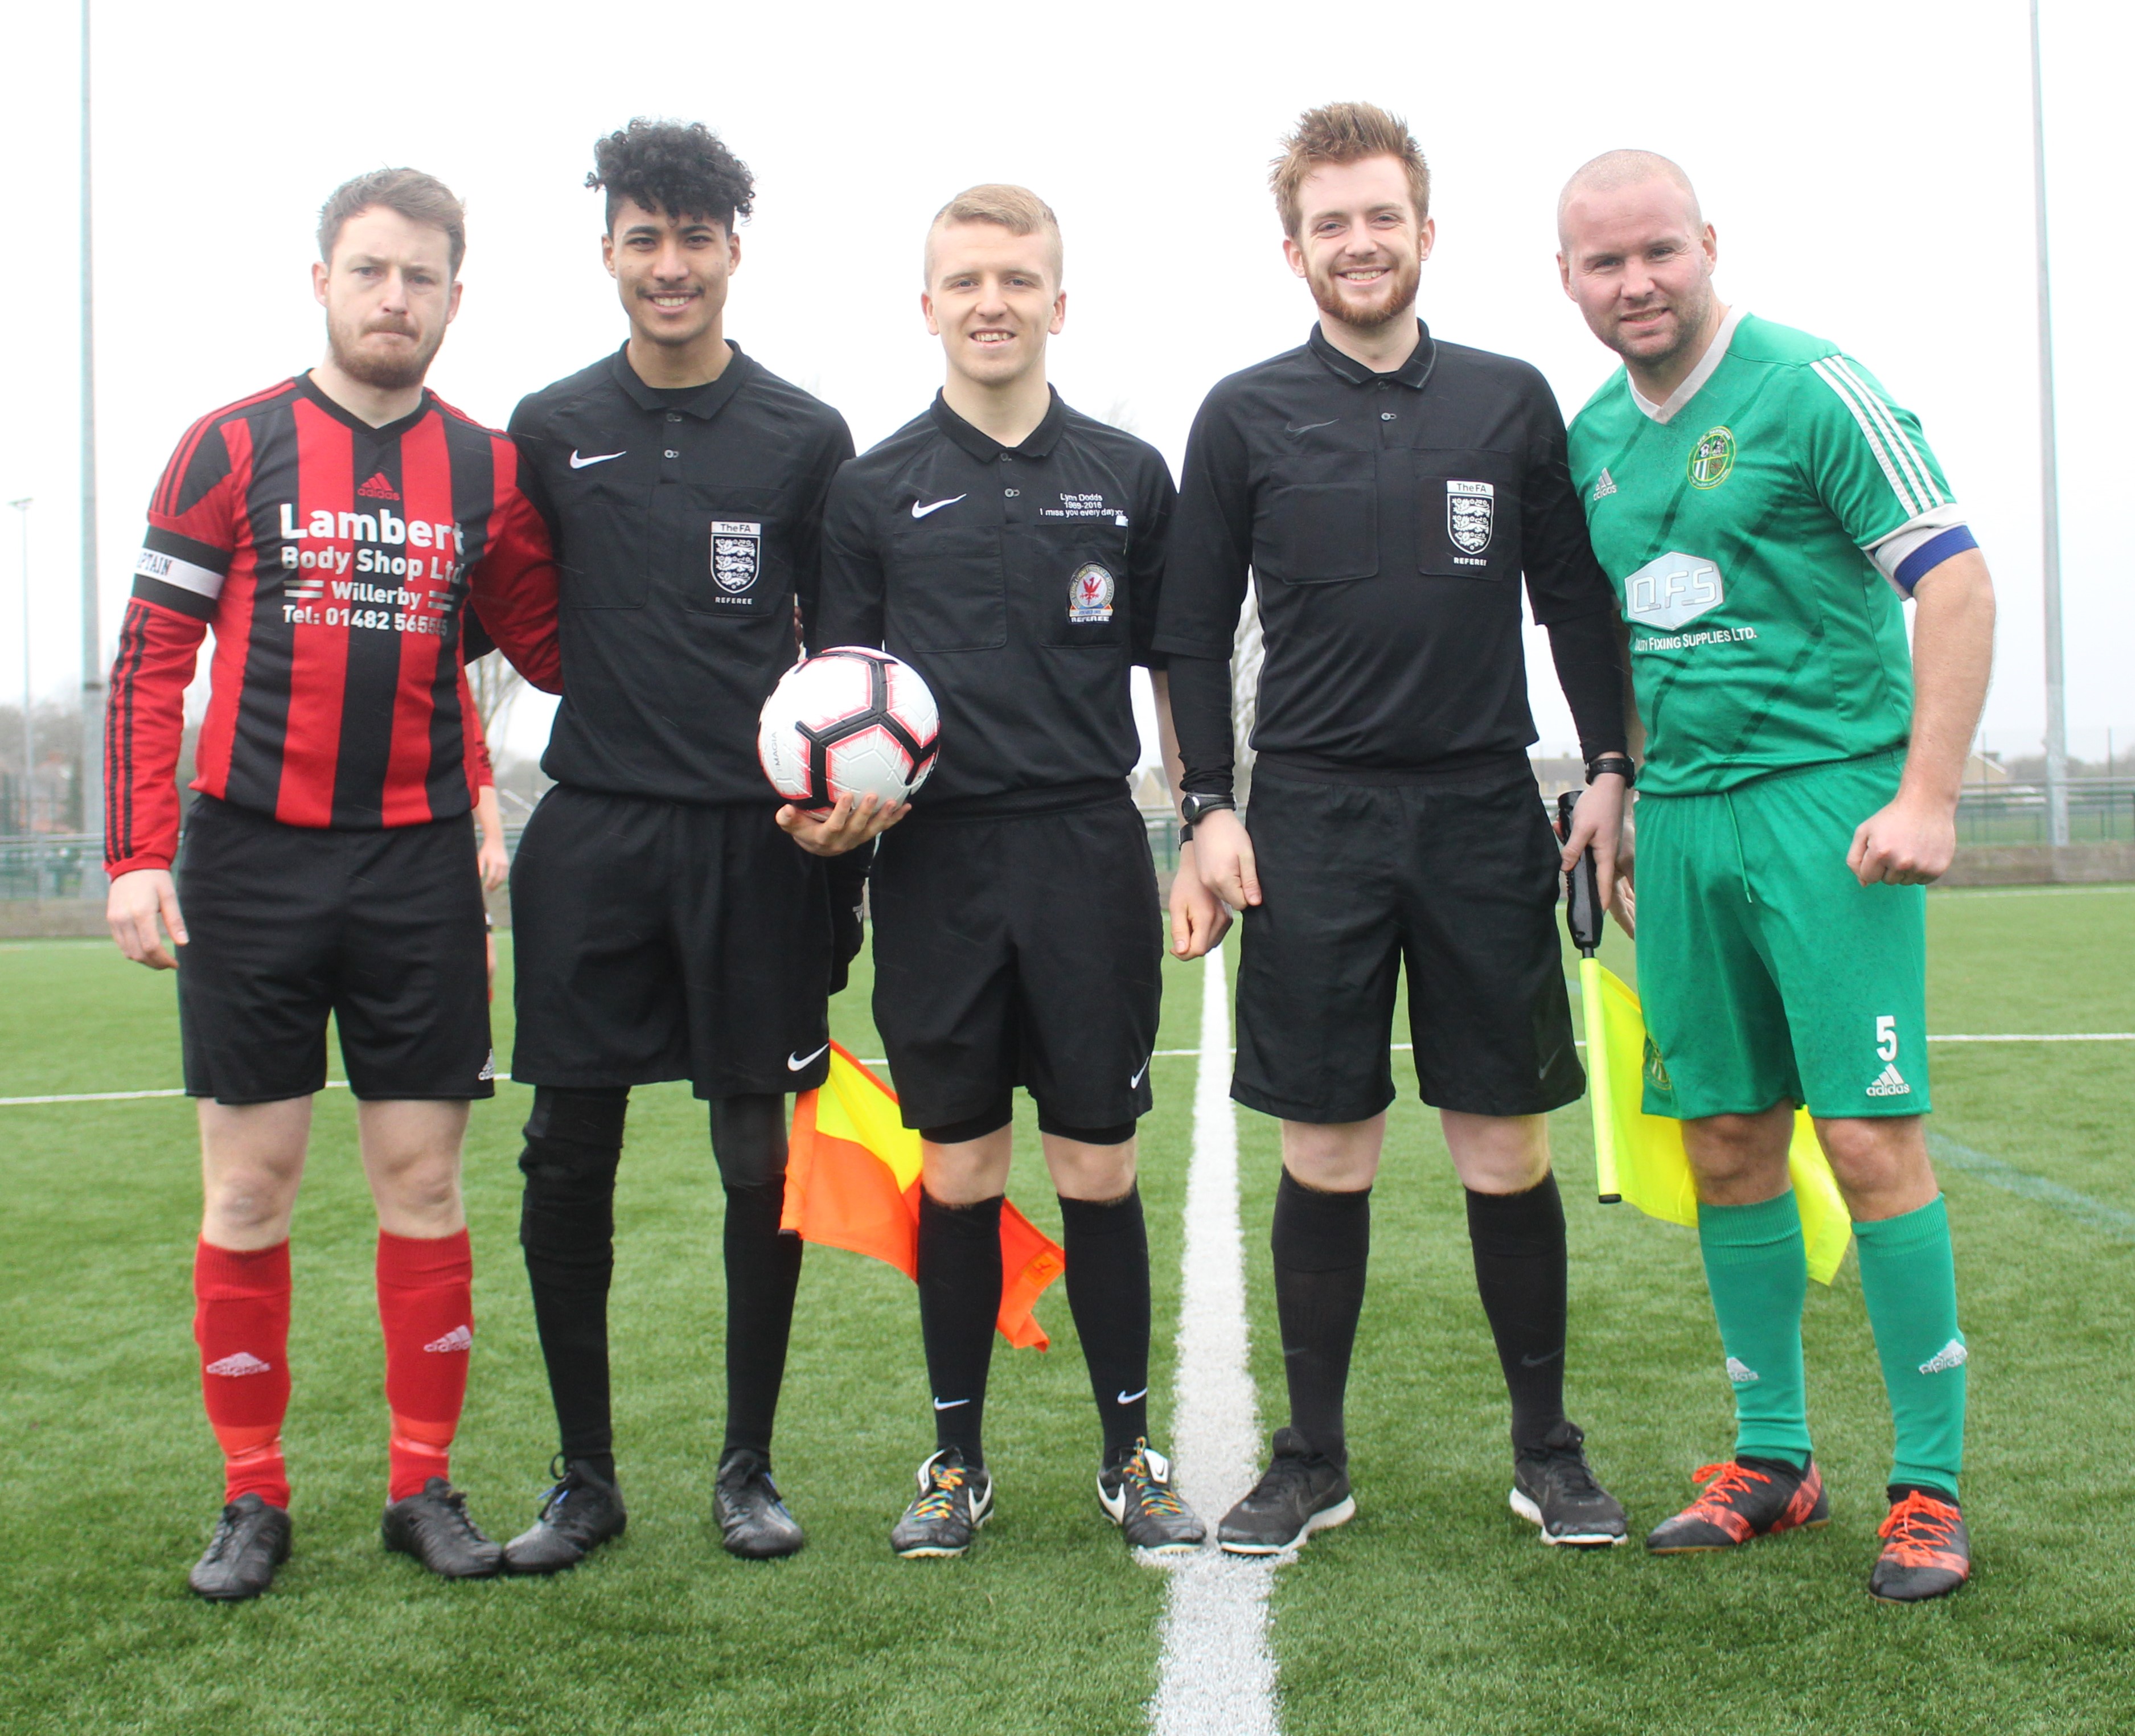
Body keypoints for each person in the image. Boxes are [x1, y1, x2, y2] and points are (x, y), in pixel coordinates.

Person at [1156, 104, 1634, 1554]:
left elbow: (1574, 602)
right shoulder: (1243, 413)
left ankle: (1547, 1451)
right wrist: (1208, 810)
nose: (1357, 245)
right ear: (1293, 248)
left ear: (1425, 232)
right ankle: (1312, 1456)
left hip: (1485, 806)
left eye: (1381, 218)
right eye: (1329, 224)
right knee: (1330, 1149)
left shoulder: (1507, 400)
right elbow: (1188, 633)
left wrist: (1610, 764)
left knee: (1502, 1143)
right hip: (1310, 814)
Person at [102, 167, 563, 1601]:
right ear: (323, 280)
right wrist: (134, 854)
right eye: (370, 271)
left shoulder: (486, 472)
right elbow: (151, 661)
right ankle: (253, 1498)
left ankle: (422, 1485)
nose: (393, 299)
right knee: (251, 1186)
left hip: (421, 861)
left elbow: (560, 648)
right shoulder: (227, 446)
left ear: (453, 299)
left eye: (420, 278)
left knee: (423, 1176)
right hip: (252, 862)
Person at [1557, 150, 1995, 1602]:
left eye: (1659, 253)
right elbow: (1620, 639)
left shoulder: (1813, 386)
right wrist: (1616, 786)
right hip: (1683, 825)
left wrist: (1928, 794)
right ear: (1570, 279)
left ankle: (1927, 1488)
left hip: (1828, 810)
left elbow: (1956, 579)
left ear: (1707, 245)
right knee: (1727, 1139)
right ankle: (1775, 1456)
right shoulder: (1593, 439)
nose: (1636, 284)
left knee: (1870, 1141)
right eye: (1605, 263)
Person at [808, 184, 1228, 1558]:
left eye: (1019, 277)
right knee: (963, 1166)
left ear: (1060, 300)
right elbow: (838, 691)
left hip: (1087, 850)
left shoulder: (1125, 474)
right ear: (925, 304)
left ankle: (1128, 1454)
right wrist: (826, 816)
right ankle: (956, 1463)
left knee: (1097, 1166)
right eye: (966, 279)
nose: (993, 300)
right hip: (933, 865)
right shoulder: (872, 488)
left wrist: (1198, 820)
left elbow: (1178, 665)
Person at [499, 119, 868, 1571]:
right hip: (592, 833)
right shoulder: (543, 425)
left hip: (750, 842)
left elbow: (843, 659)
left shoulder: (802, 435)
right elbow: (507, 620)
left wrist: (847, 828)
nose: (670, 266)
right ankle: (583, 1478)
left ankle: (747, 1467)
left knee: (749, 1156)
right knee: (564, 1152)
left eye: (694, 238)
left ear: (733, 251)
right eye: (644, 238)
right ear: (609, 253)